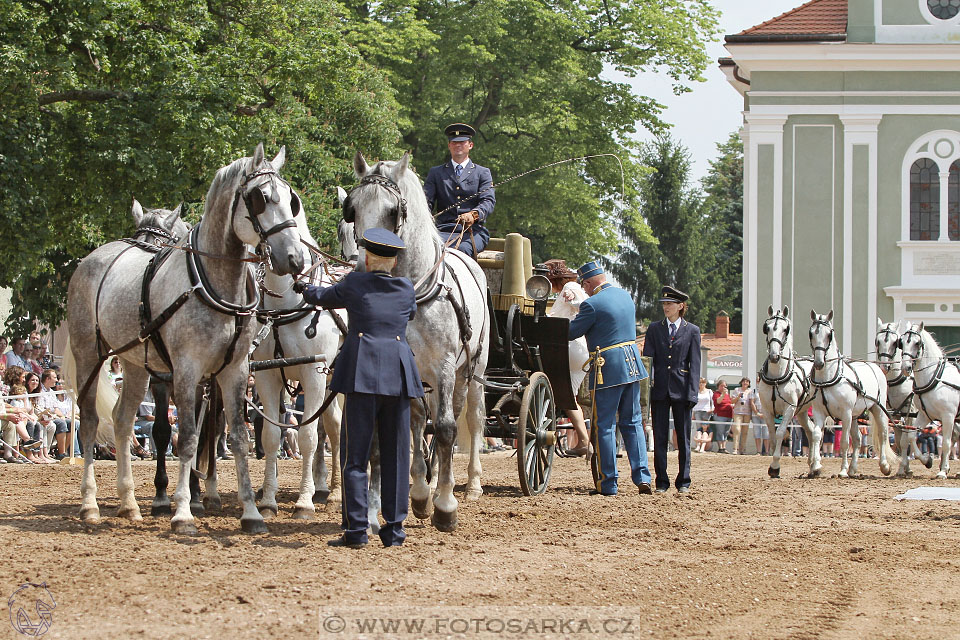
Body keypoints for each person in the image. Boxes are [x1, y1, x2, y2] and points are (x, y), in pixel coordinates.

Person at [294, 227, 423, 548]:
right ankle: (394, 532)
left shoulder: (353, 284)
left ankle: (356, 532)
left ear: (366, 257)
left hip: (362, 374)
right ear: (393, 263)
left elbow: (321, 297)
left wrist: (302, 285)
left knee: (355, 458)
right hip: (398, 376)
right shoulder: (406, 289)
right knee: (396, 456)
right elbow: (410, 313)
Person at [568, 261, 652, 496]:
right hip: (632, 363)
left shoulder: (591, 304)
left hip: (607, 367)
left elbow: (573, 332)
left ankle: (608, 483)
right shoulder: (625, 296)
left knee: (604, 425)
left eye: (584, 287)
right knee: (633, 422)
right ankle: (643, 477)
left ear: (587, 283)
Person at [642, 286, 701, 493]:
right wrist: (646, 390)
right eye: (664, 304)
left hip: (682, 390)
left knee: (683, 438)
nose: (666, 307)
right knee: (659, 437)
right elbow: (648, 361)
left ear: (680, 306)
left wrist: (693, 393)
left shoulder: (692, 330)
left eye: (669, 304)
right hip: (659, 390)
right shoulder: (654, 329)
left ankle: (684, 480)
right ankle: (661, 481)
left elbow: (695, 364)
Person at [423, 123, 495, 258]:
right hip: (441, 230)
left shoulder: (482, 173)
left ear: (470, 145)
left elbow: (488, 201)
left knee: (459, 251)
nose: (458, 145)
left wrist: (474, 214)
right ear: (449, 145)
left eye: (462, 142)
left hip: (472, 231)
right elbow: (426, 201)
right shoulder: (436, 173)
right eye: (454, 142)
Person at [543, 259, 591, 457]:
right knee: (569, 399)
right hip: (577, 351)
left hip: (569, 347)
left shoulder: (569, 288)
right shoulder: (565, 291)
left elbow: (584, 306)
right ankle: (584, 442)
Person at [730, 377, 752, 455]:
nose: (745, 383)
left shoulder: (750, 391)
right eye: (744, 381)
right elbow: (732, 401)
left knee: (745, 432)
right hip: (738, 412)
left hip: (747, 413)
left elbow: (752, 402)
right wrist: (738, 396)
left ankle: (743, 449)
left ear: (749, 383)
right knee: (737, 430)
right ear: (741, 382)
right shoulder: (737, 390)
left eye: (747, 382)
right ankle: (735, 448)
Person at [692, 378, 714, 453]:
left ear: (705, 383)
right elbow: (694, 403)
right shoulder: (696, 392)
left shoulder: (709, 391)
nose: (701, 384)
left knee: (705, 429)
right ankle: (698, 445)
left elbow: (712, 401)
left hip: (707, 411)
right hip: (697, 411)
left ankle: (703, 446)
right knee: (698, 429)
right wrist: (693, 414)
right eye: (700, 382)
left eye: (703, 382)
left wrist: (712, 409)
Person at [749, 374, 768, 455]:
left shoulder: (767, 390)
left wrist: (765, 413)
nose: (758, 382)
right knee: (757, 433)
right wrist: (757, 413)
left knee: (766, 434)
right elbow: (752, 402)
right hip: (755, 415)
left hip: (765, 415)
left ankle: (767, 451)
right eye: (757, 381)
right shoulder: (753, 391)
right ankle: (758, 451)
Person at [712, 380, 733, 452]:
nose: (723, 387)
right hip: (720, 415)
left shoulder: (727, 395)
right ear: (718, 386)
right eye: (722, 386)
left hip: (729, 415)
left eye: (725, 386)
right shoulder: (716, 394)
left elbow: (729, 402)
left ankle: (724, 447)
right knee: (720, 431)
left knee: (726, 432)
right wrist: (723, 394)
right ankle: (720, 447)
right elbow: (718, 401)